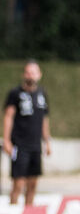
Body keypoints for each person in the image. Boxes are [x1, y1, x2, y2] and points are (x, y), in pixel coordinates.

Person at [3, 60, 51, 205]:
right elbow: (8, 116)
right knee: (18, 183)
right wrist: (6, 140)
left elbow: (45, 119)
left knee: (33, 183)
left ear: (39, 74)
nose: (31, 75)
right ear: (24, 74)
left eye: (34, 72)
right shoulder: (15, 93)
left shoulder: (42, 94)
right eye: (28, 72)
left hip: (35, 145)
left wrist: (47, 141)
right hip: (20, 144)